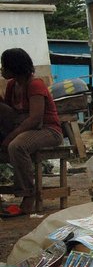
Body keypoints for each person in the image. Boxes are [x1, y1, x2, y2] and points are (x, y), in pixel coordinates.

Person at [0, 48, 63, 215]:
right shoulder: (12, 85)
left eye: (4, 66)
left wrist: (10, 137)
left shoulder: (35, 85)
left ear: (14, 67)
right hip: (23, 127)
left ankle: (28, 195)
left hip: (47, 130)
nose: (2, 69)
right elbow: (7, 113)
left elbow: (35, 119)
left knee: (17, 146)